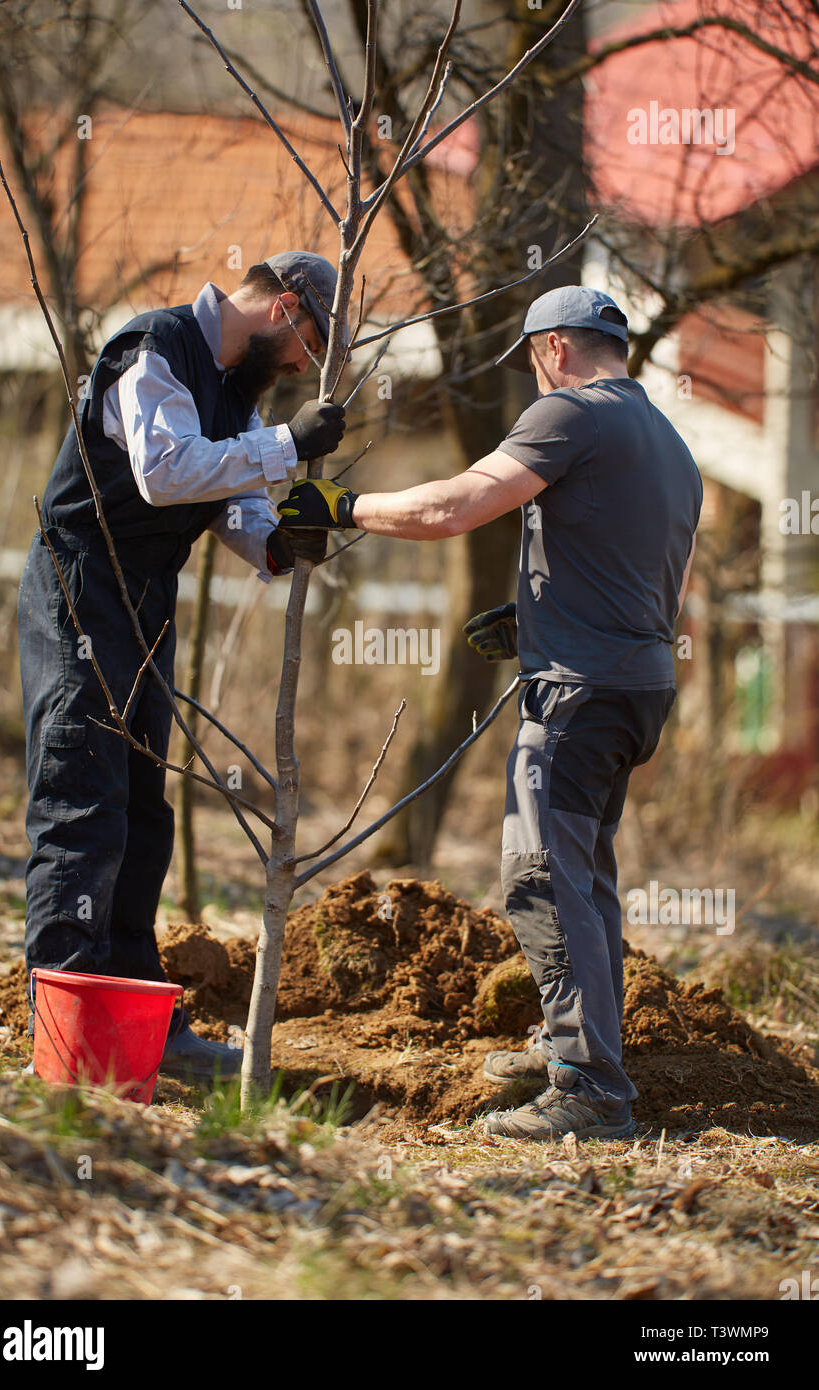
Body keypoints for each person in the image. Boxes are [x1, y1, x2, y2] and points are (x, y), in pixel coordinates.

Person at [276, 285, 702, 1140]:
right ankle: (573, 1046)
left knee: (540, 874)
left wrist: (344, 507)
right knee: (583, 874)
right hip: (636, 684)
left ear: (552, 351)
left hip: (579, 694)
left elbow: (453, 506)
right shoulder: (668, 442)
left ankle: (590, 1091)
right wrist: (542, 617)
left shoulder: (573, 415)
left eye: (532, 365)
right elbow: (644, 570)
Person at [18, 252, 343, 1081]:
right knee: (82, 798)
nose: (307, 363)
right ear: (285, 306)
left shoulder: (236, 394)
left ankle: (136, 1024)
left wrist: (277, 543)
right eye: (311, 341)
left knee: (139, 810)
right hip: (81, 581)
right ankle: (70, 1040)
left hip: (148, 598)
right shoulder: (154, 347)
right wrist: (282, 444)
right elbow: (164, 474)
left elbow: (228, 502)